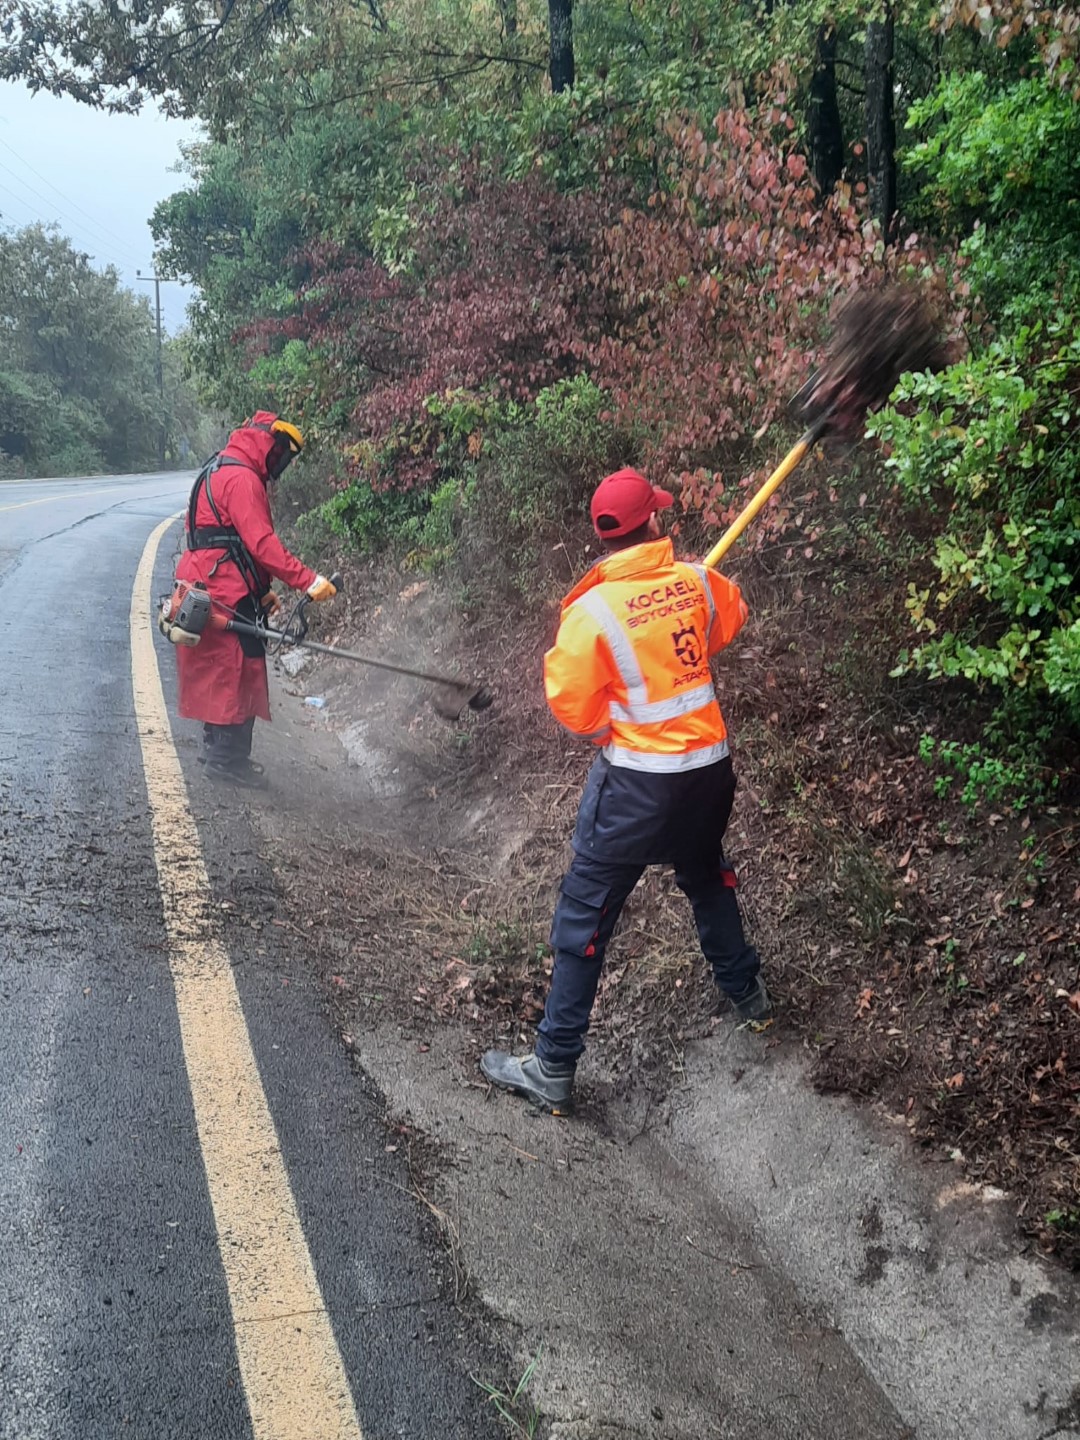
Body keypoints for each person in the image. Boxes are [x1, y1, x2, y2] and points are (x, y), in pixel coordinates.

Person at [481, 467, 771, 1110]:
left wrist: (618, 719)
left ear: (603, 536)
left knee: (585, 915)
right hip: (709, 772)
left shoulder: (590, 614)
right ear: (655, 522)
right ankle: (751, 998)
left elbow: (575, 708)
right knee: (705, 876)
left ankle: (553, 1066)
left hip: (638, 786)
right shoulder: (696, 580)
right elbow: (728, 624)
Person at [174, 411, 337, 787]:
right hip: (224, 588)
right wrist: (308, 580)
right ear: (267, 443)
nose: (281, 463)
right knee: (235, 669)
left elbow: (223, 537)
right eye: (281, 453)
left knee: (215, 666)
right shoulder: (243, 479)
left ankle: (215, 746)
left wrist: (260, 589)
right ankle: (226, 760)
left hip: (204, 582)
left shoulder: (215, 468)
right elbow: (262, 544)